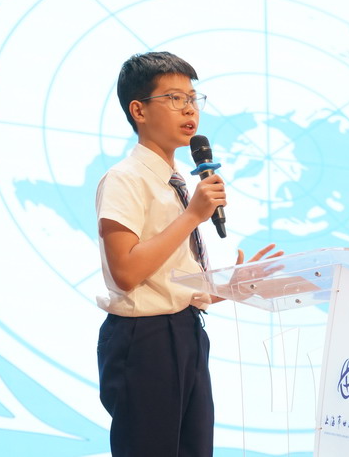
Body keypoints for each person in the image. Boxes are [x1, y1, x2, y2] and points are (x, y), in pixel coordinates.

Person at [95, 51, 282, 456]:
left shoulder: (176, 181)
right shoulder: (125, 179)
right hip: (144, 340)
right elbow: (126, 273)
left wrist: (232, 286)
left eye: (193, 99)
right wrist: (194, 215)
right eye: (175, 98)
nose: (189, 109)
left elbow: (169, 282)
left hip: (186, 331)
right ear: (139, 110)